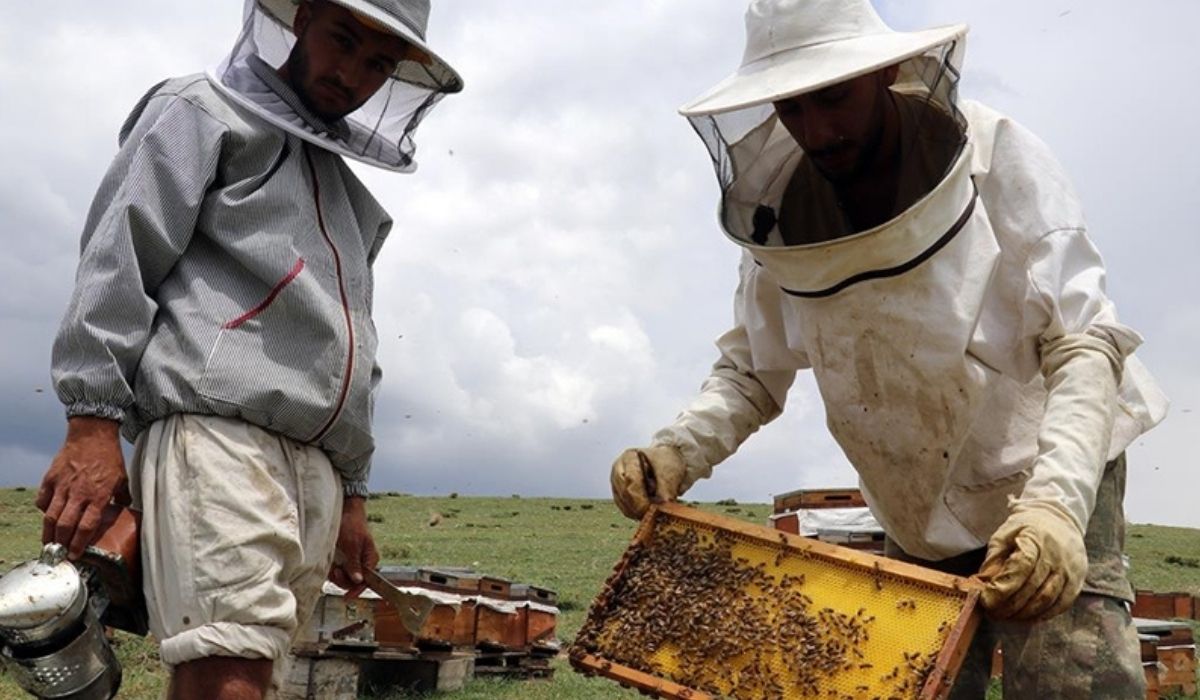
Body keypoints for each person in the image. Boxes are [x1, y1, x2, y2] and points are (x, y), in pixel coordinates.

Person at [609, 0, 1167, 696]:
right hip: (912, 500)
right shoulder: (781, 215)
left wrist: (1056, 505)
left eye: (833, 98)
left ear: (889, 72)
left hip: (1045, 467)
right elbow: (753, 371)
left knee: (1071, 679)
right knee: (909, 683)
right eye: (791, 109)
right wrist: (677, 450)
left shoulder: (997, 158)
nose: (816, 131)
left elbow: (1082, 343)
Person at [36, 1, 461, 698]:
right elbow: (120, 256)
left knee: (258, 679)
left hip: (314, 471)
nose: (352, 72)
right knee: (226, 672)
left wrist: (352, 500)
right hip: (218, 440)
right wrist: (91, 422)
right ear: (302, 22)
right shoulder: (199, 111)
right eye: (342, 40)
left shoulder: (350, 200)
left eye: (378, 63)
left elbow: (355, 346)